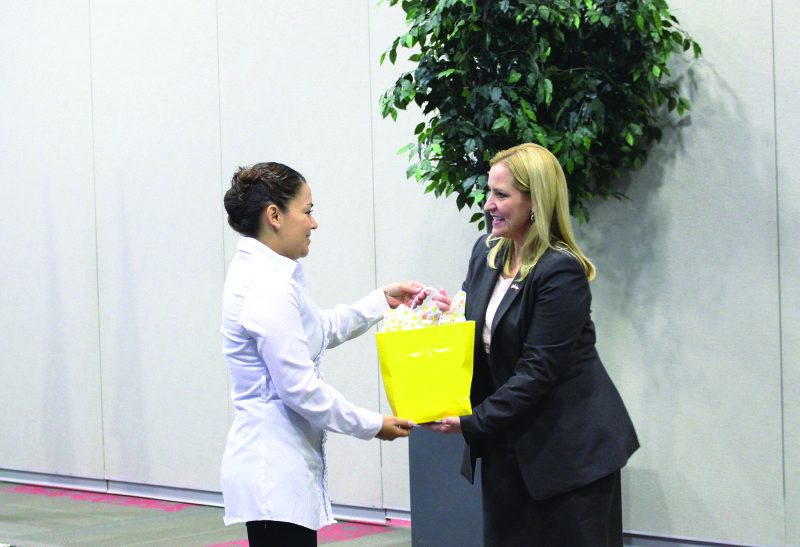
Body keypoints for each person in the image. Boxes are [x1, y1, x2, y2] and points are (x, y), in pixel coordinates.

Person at [425, 143, 639, 546]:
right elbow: (481, 333)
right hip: (509, 447)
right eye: (489, 192)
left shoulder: (560, 270)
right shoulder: (486, 251)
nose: (488, 204)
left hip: (571, 456)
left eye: (501, 195)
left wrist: (472, 422)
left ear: (535, 201)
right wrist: (448, 315)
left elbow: (537, 371)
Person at [219, 161, 421, 547]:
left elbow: (318, 330)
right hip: (272, 477)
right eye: (308, 212)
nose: (314, 223)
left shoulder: (272, 276)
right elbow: (300, 390)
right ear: (274, 216)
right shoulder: (266, 286)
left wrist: (382, 300)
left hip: (281, 474)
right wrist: (371, 423)